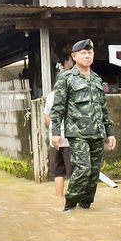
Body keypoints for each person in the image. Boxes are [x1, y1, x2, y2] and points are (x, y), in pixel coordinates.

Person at [50, 39, 116, 211]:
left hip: (97, 133)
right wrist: (55, 133)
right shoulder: (66, 78)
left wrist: (110, 133)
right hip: (77, 133)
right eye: (83, 53)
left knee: (94, 172)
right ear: (74, 56)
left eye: (90, 52)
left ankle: (85, 206)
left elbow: (103, 108)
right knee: (83, 168)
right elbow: (57, 108)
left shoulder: (96, 78)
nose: (87, 55)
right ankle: (70, 205)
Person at [43, 55, 74, 202]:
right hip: (69, 140)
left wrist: (53, 132)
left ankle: (59, 199)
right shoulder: (72, 96)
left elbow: (47, 119)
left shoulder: (50, 96)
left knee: (58, 171)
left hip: (54, 141)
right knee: (73, 172)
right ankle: (73, 199)